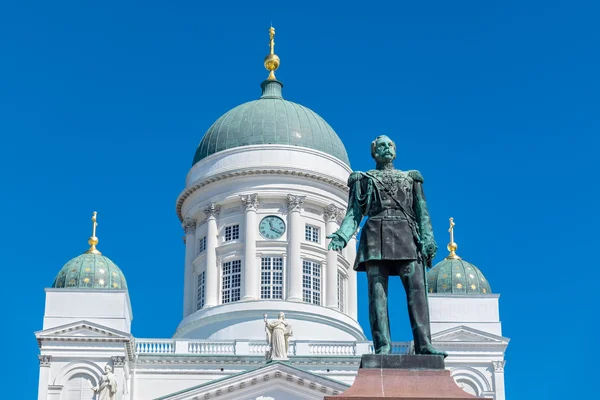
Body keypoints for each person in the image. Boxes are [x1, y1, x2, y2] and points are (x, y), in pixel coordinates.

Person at [328, 135, 446, 356]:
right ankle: (383, 346)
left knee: (417, 292)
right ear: (374, 153)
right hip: (375, 235)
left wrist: (428, 239)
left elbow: (422, 213)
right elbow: (354, 213)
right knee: (377, 294)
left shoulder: (411, 179)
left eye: (390, 145)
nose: (386, 148)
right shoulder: (363, 179)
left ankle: (424, 345)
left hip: (407, 235)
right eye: (381, 146)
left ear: (395, 150)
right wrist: (342, 235)